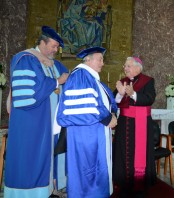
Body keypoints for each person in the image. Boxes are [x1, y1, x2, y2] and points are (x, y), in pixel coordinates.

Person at [4, 26, 69, 197]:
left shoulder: (52, 63)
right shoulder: (26, 59)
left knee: (47, 156)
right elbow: (30, 93)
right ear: (42, 42)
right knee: (29, 157)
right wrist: (56, 82)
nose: (56, 50)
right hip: (31, 122)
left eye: (57, 47)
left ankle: (48, 189)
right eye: (53, 46)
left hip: (48, 123)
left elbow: (67, 76)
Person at [56, 46, 117, 197]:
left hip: (95, 132)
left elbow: (108, 102)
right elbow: (85, 106)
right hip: (86, 134)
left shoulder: (93, 78)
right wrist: (108, 118)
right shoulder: (80, 76)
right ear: (88, 60)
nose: (103, 63)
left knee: (95, 168)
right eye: (100, 59)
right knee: (87, 169)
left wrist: (114, 114)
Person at [113, 57, 157, 197]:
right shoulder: (122, 82)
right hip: (124, 124)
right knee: (123, 154)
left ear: (138, 68)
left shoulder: (148, 81)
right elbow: (114, 102)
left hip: (141, 125)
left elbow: (149, 99)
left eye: (128, 66)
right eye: (125, 66)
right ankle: (124, 185)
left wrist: (133, 94)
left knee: (140, 155)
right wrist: (120, 93)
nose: (125, 68)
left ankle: (140, 187)